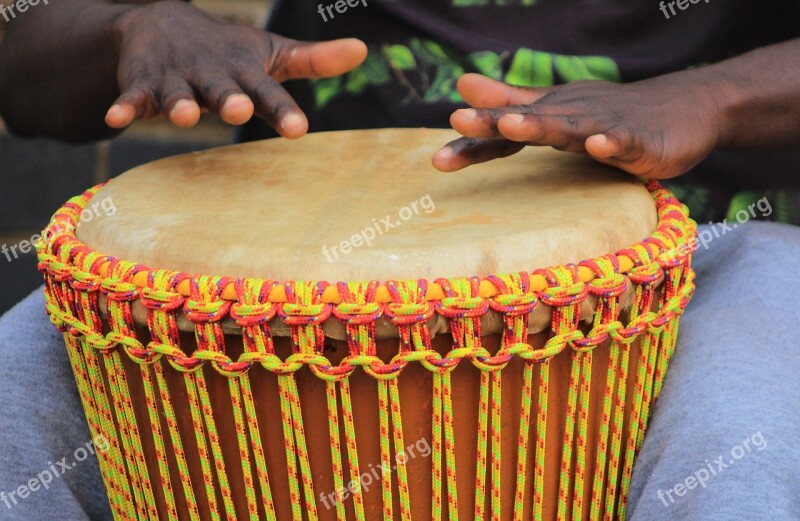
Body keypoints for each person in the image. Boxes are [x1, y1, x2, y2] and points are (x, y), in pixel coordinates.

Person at [0, 1, 798, 519]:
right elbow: (19, 61)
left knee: (742, 443)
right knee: (14, 399)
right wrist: (130, 26)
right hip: (231, 290)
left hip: (700, 241)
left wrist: (712, 97)